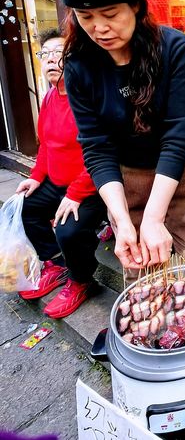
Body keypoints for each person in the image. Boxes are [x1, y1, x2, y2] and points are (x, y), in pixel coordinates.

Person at [57, 0, 185, 270]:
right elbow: (96, 146)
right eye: (85, 16)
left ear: (135, 6)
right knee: (144, 277)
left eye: (109, 13)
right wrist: (122, 221)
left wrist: (155, 217)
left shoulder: (175, 49)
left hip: (184, 172)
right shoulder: (79, 67)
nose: (99, 27)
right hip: (126, 178)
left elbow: (178, 135)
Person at [16, 29, 107, 318]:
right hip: (57, 184)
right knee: (26, 208)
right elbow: (46, 147)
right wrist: (34, 176)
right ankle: (55, 263)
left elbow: (101, 153)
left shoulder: (87, 99)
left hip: (89, 187)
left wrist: (76, 193)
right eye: (45, 55)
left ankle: (82, 280)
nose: (51, 60)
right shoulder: (49, 98)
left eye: (59, 53)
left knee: (68, 231)